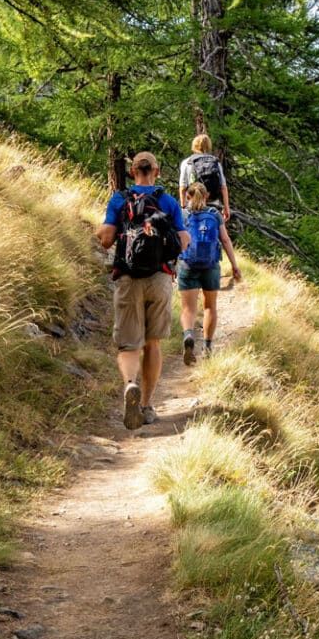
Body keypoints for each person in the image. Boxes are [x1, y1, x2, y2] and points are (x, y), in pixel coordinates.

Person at [96, 152, 190, 430]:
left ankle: (129, 385)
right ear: (156, 171)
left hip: (128, 277)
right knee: (153, 343)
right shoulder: (168, 202)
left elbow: (106, 239)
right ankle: (147, 405)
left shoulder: (119, 200)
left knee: (128, 344)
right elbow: (184, 241)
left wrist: (103, 232)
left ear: (133, 171)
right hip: (160, 278)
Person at [178, 182, 242, 363]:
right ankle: (207, 346)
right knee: (209, 307)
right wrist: (234, 266)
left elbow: (176, 240)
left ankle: (188, 335)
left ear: (188, 196)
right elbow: (225, 240)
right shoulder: (214, 215)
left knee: (188, 308)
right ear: (206, 196)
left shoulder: (182, 215)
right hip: (211, 266)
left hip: (187, 264)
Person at [178, 133, 231, 221]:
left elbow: (182, 187)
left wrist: (183, 206)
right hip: (213, 203)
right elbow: (223, 187)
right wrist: (226, 207)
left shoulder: (187, 162)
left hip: (192, 204)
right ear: (209, 145)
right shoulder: (216, 162)